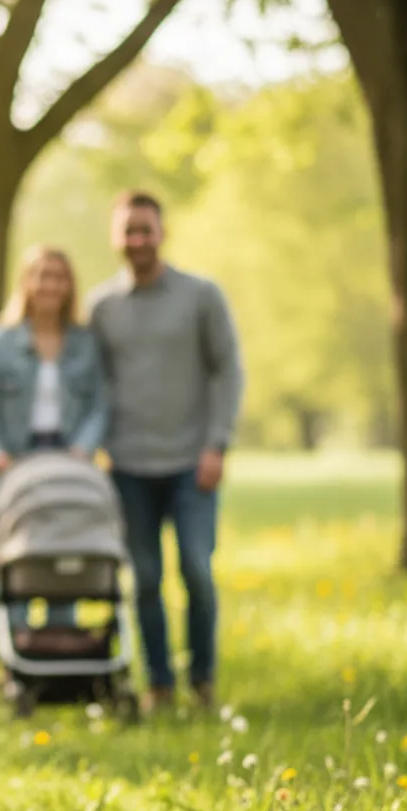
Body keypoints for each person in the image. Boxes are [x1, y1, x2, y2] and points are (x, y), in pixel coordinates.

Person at [89, 191, 244, 712]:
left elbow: (228, 370)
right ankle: (158, 684)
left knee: (198, 572)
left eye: (145, 230)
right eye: (127, 231)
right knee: (145, 580)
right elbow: (90, 384)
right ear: (116, 238)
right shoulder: (101, 308)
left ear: (163, 232)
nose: (137, 240)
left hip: (192, 464)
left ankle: (202, 682)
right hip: (128, 467)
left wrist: (217, 443)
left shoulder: (202, 296)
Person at [0, 244, 108, 479]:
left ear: (70, 286)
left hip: (69, 458)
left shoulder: (85, 344)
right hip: (13, 459)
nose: (50, 286)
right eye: (42, 276)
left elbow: (98, 407)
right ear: (26, 283)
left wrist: (83, 450)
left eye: (60, 278)